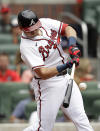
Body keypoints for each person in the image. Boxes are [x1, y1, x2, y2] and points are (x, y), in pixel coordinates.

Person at [18, 10, 94, 131]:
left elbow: (68, 29)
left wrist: (73, 45)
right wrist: (66, 65)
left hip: (65, 78)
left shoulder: (45, 23)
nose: (34, 31)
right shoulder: (26, 46)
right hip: (48, 85)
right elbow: (43, 73)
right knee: (43, 128)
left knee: (82, 121)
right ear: (21, 28)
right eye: (30, 30)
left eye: (35, 27)